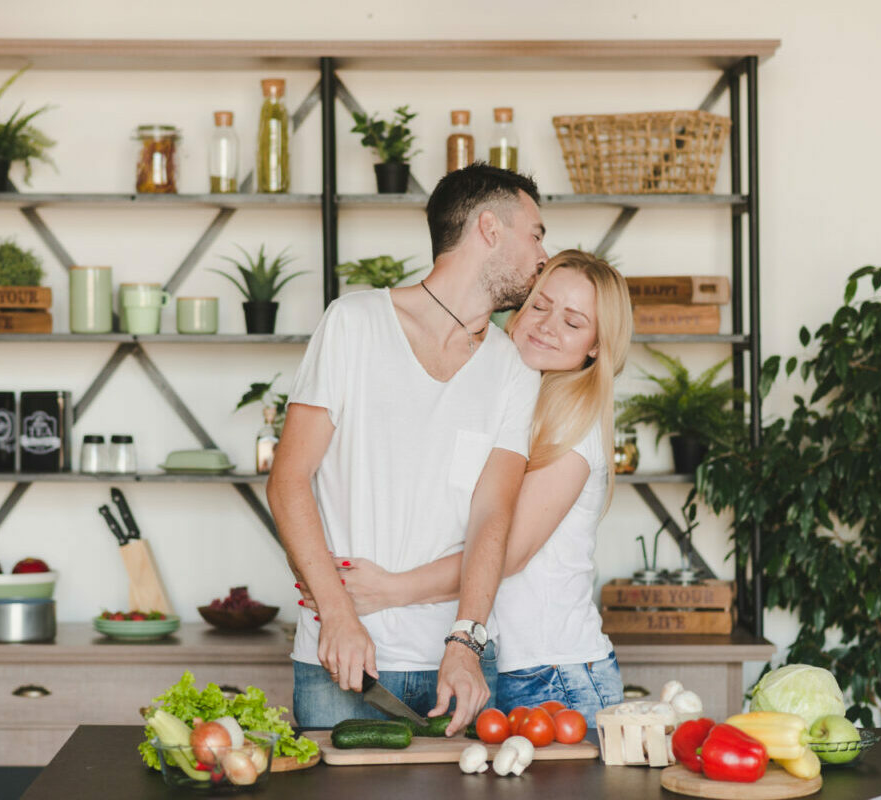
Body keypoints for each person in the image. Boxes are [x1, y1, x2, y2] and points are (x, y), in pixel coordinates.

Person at [267, 164, 548, 735]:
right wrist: (338, 615)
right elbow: (288, 480)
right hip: (343, 659)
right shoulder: (354, 323)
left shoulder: (513, 367)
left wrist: (467, 641)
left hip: (457, 666)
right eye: (536, 234)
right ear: (489, 229)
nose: (544, 254)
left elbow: (494, 513)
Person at [303, 249, 633, 721]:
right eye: (540, 305)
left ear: (598, 345)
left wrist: (391, 589)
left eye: (574, 322)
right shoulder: (509, 391)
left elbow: (510, 552)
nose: (546, 326)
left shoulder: (572, 427)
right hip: (503, 664)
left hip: (552, 673)